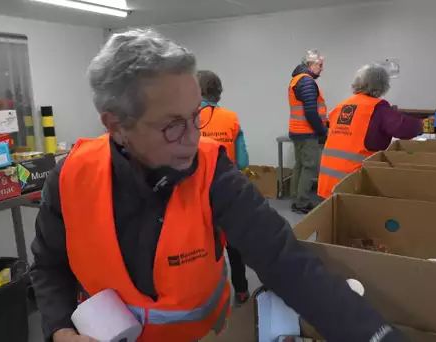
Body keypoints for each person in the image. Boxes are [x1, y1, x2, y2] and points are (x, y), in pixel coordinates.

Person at [30, 29, 406, 342]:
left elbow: (285, 261)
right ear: (116, 126)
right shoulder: (70, 177)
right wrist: (60, 328)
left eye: (195, 116)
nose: (193, 139)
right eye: (173, 125)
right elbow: (49, 265)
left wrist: (375, 336)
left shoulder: (212, 170)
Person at [318, 64, 423, 199]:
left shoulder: (341, 106)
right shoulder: (377, 108)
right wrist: (423, 125)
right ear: (381, 85)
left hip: (328, 180)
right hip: (353, 183)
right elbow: (403, 128)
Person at [196, 69, 250, 307]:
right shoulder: (231, 118)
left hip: (196, 194)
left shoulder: (184, 120)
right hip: (227, 191)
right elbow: (244, 161)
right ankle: (241, 290)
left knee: (203, 247)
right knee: (233, 244)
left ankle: (208, 297)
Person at [288, 50, 328, 214]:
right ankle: (302, 203)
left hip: (297, 131)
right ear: (310, 64)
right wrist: (323, 131)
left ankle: (297, 198)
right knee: (309, 166)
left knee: (300, 165)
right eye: (319, 65)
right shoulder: (306, 81)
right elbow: (311, 111)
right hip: (307, 132)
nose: (322, 69)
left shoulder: (297, 80)